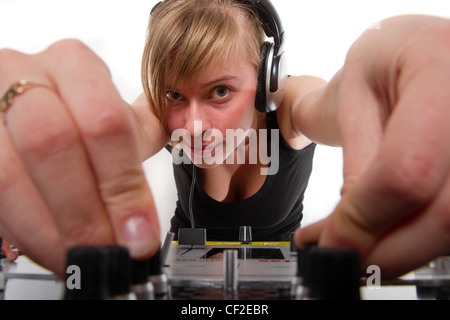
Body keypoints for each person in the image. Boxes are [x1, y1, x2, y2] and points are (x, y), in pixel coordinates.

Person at [0, 0, 449, 280]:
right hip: (179, 271)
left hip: (280, 273)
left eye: (220, 91)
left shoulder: (288, 102)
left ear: (264, 78)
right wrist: (30, 139)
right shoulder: (160, 111)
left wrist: (383, 66)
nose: (191, 126)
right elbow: (118, 132)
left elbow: (336, 100)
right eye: (175, 93)